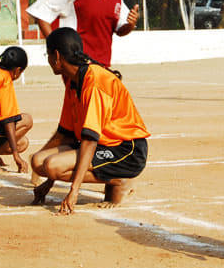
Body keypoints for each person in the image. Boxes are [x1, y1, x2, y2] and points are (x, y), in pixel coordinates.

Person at [26, 0, 140, 184]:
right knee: (78, 126)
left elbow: (119, 29)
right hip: (76, 68)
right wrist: (58, 49)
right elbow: (41, 12)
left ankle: (114, 176)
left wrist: (129, 25)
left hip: (102, 72)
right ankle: (51, 167)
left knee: (96, 127)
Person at [31, 27, 150, 214]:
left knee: (52, 165)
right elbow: (65, 134)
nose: (48, 60)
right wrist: (48, 181)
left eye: (47, 55)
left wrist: (73, 191)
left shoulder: (94, 82)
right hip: (101, 145)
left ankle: (119, 180)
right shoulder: (73, 81)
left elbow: (90, 139)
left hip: (126, 149)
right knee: (38, 161)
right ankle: (112, 177)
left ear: (56, 56)